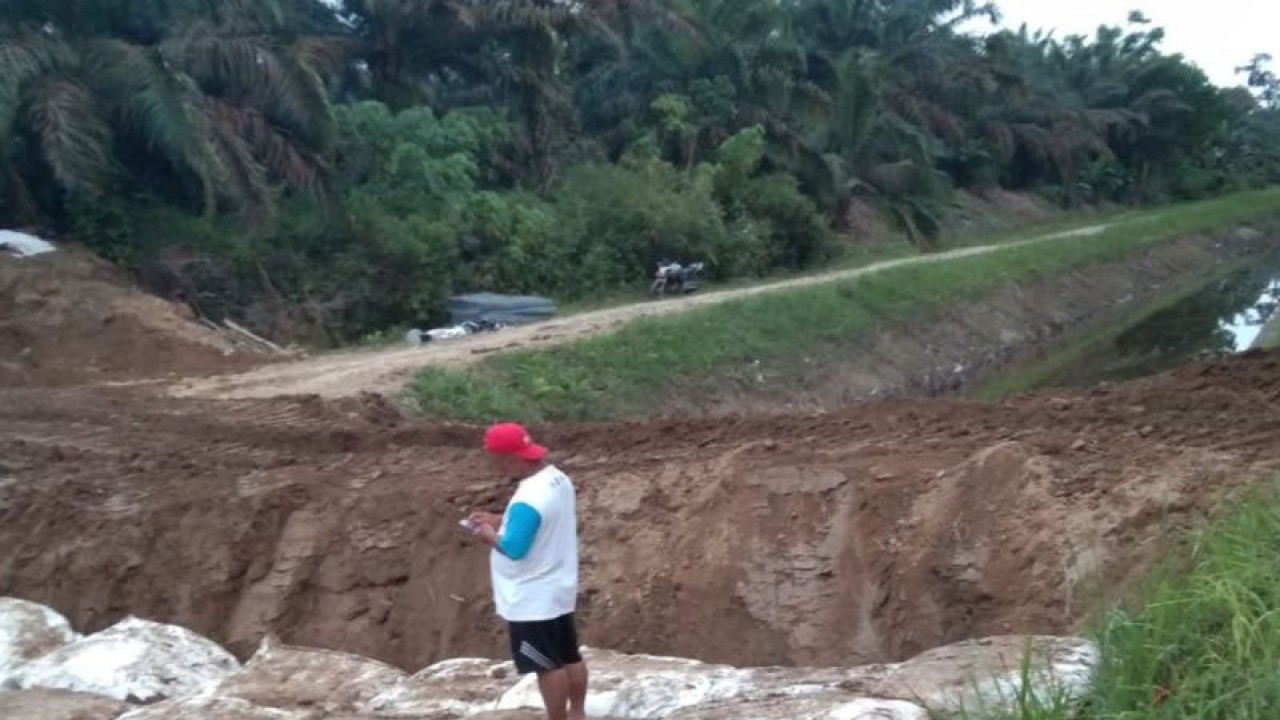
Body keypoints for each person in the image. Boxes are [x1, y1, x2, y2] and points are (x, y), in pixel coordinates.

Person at [466, 423, 588, 720]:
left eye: (496, 460)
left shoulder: (528, 499)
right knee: (569, 654)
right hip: (557, 585)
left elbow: (514, 548)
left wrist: (487, 535)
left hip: (531, 597)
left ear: (509, 457)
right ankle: (578, 713)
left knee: (546, 665)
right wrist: (500, 519)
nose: (495, 467)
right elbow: (539, 523)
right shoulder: (556, 479)